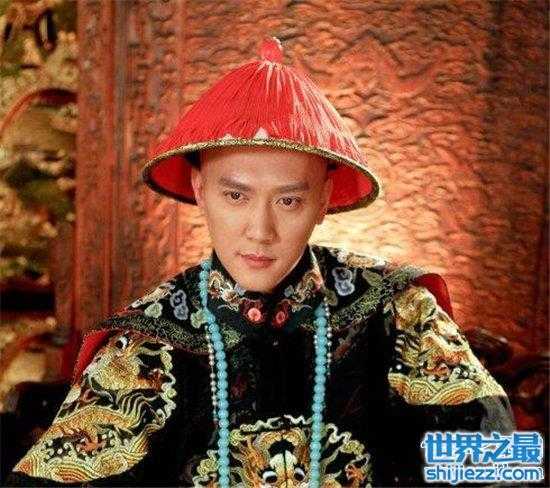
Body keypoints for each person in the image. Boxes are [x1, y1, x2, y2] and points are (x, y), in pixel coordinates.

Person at [7, 37, 515, 487]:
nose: (260, 230)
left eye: (289, 201)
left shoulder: (396, 311)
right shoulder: (149, 343)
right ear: (200, 190)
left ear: (323, 199)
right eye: (236, 196)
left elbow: (502, 464)